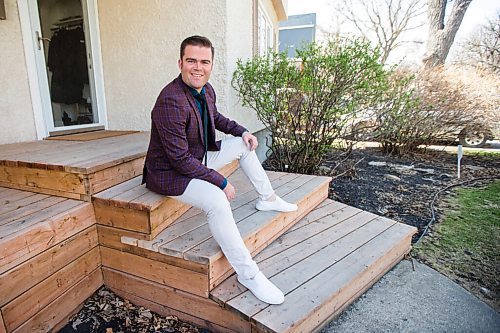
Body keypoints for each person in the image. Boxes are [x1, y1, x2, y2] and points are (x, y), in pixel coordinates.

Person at [143, 35, 298, 305]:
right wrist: (221, 182)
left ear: (211, 64)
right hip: (169, 172)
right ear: (180, 62)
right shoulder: (170, 101)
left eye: (204, 62)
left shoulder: (206, 89)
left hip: (197, 157)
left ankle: (268, 198)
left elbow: (216, 119)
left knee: (242, 144)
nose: (198, 67)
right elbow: (179, 160)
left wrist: (243, 131)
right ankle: (248, 274)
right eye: (191, 61)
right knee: (216, 201)